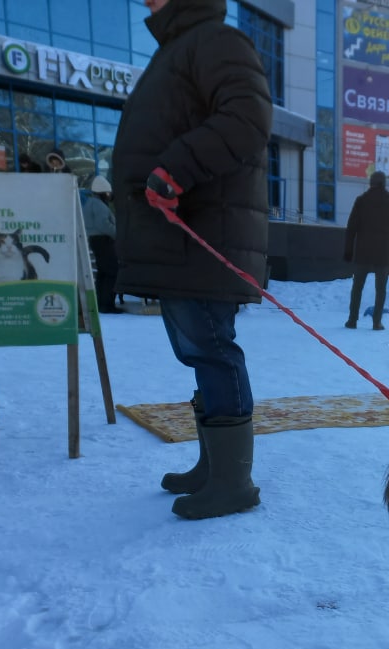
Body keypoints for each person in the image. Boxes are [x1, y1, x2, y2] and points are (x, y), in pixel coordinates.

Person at [112, 0, 273, 522]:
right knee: (195, 350)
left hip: (205, 233)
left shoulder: (215, 41)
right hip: (179, 239)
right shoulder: (181, 48)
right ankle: (213, 466)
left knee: (211, 348)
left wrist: (175, 169)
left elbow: (248, 117)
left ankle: (233, 481)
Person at [343, 170, 389, 330]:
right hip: (382, 253)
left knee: (357, 287)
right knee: (380, 290)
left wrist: (348, 250)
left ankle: (352, 320)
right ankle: (376, 322)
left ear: (371, 183)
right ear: (384, 184)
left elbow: (351, 227)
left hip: (363, 251)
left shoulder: (361, 201)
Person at [81, 175, 118, 313]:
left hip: (95, 240)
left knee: (103, 272)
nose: (109, 195)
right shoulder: (99, 205)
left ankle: (100, 302)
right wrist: (117, 234)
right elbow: (104, 224)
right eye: (108, 192)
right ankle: (107, 304)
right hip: (104, 240)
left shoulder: (89, 203)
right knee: (112, 272)